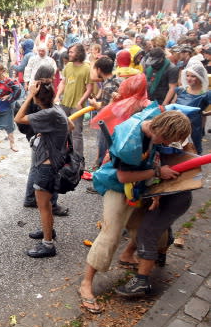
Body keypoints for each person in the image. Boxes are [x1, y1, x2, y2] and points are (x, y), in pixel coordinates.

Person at [79, 109, 192, 312]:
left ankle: (127, 256)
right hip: (117, 186)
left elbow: (154, 158)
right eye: (168, 139)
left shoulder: (154, 125)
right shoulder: (129, 142)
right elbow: (123, 177)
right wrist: (158, 172)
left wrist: (155, 190)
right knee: (110, 235)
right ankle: (86, 283)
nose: (167, 144)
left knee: (149, 232)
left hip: (139, 185)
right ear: (163, 129)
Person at [15, 71, 70, 258]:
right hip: (52, 163)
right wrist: (48, 134)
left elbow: (18, 119)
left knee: (44, 206)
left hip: (45, 166)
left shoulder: (47, 113)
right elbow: (69, 126)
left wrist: (29, 95)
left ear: (38, 98)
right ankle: (48, 231)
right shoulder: (57, 110)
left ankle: (48, 244)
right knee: (45, 204)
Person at [55, 43, 93, 157]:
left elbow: (89, 88)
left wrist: (80, 102)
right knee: (62, 130)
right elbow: (63, 82)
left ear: (79, 53)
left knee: (76, 133)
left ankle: (78, 160)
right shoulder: (68, 66)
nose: (69, 54)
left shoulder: (86, 68)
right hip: (64, 103)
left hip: (77, 107)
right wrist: (57, 96)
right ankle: (62, 155)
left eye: (72, 52)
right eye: (69, 51)